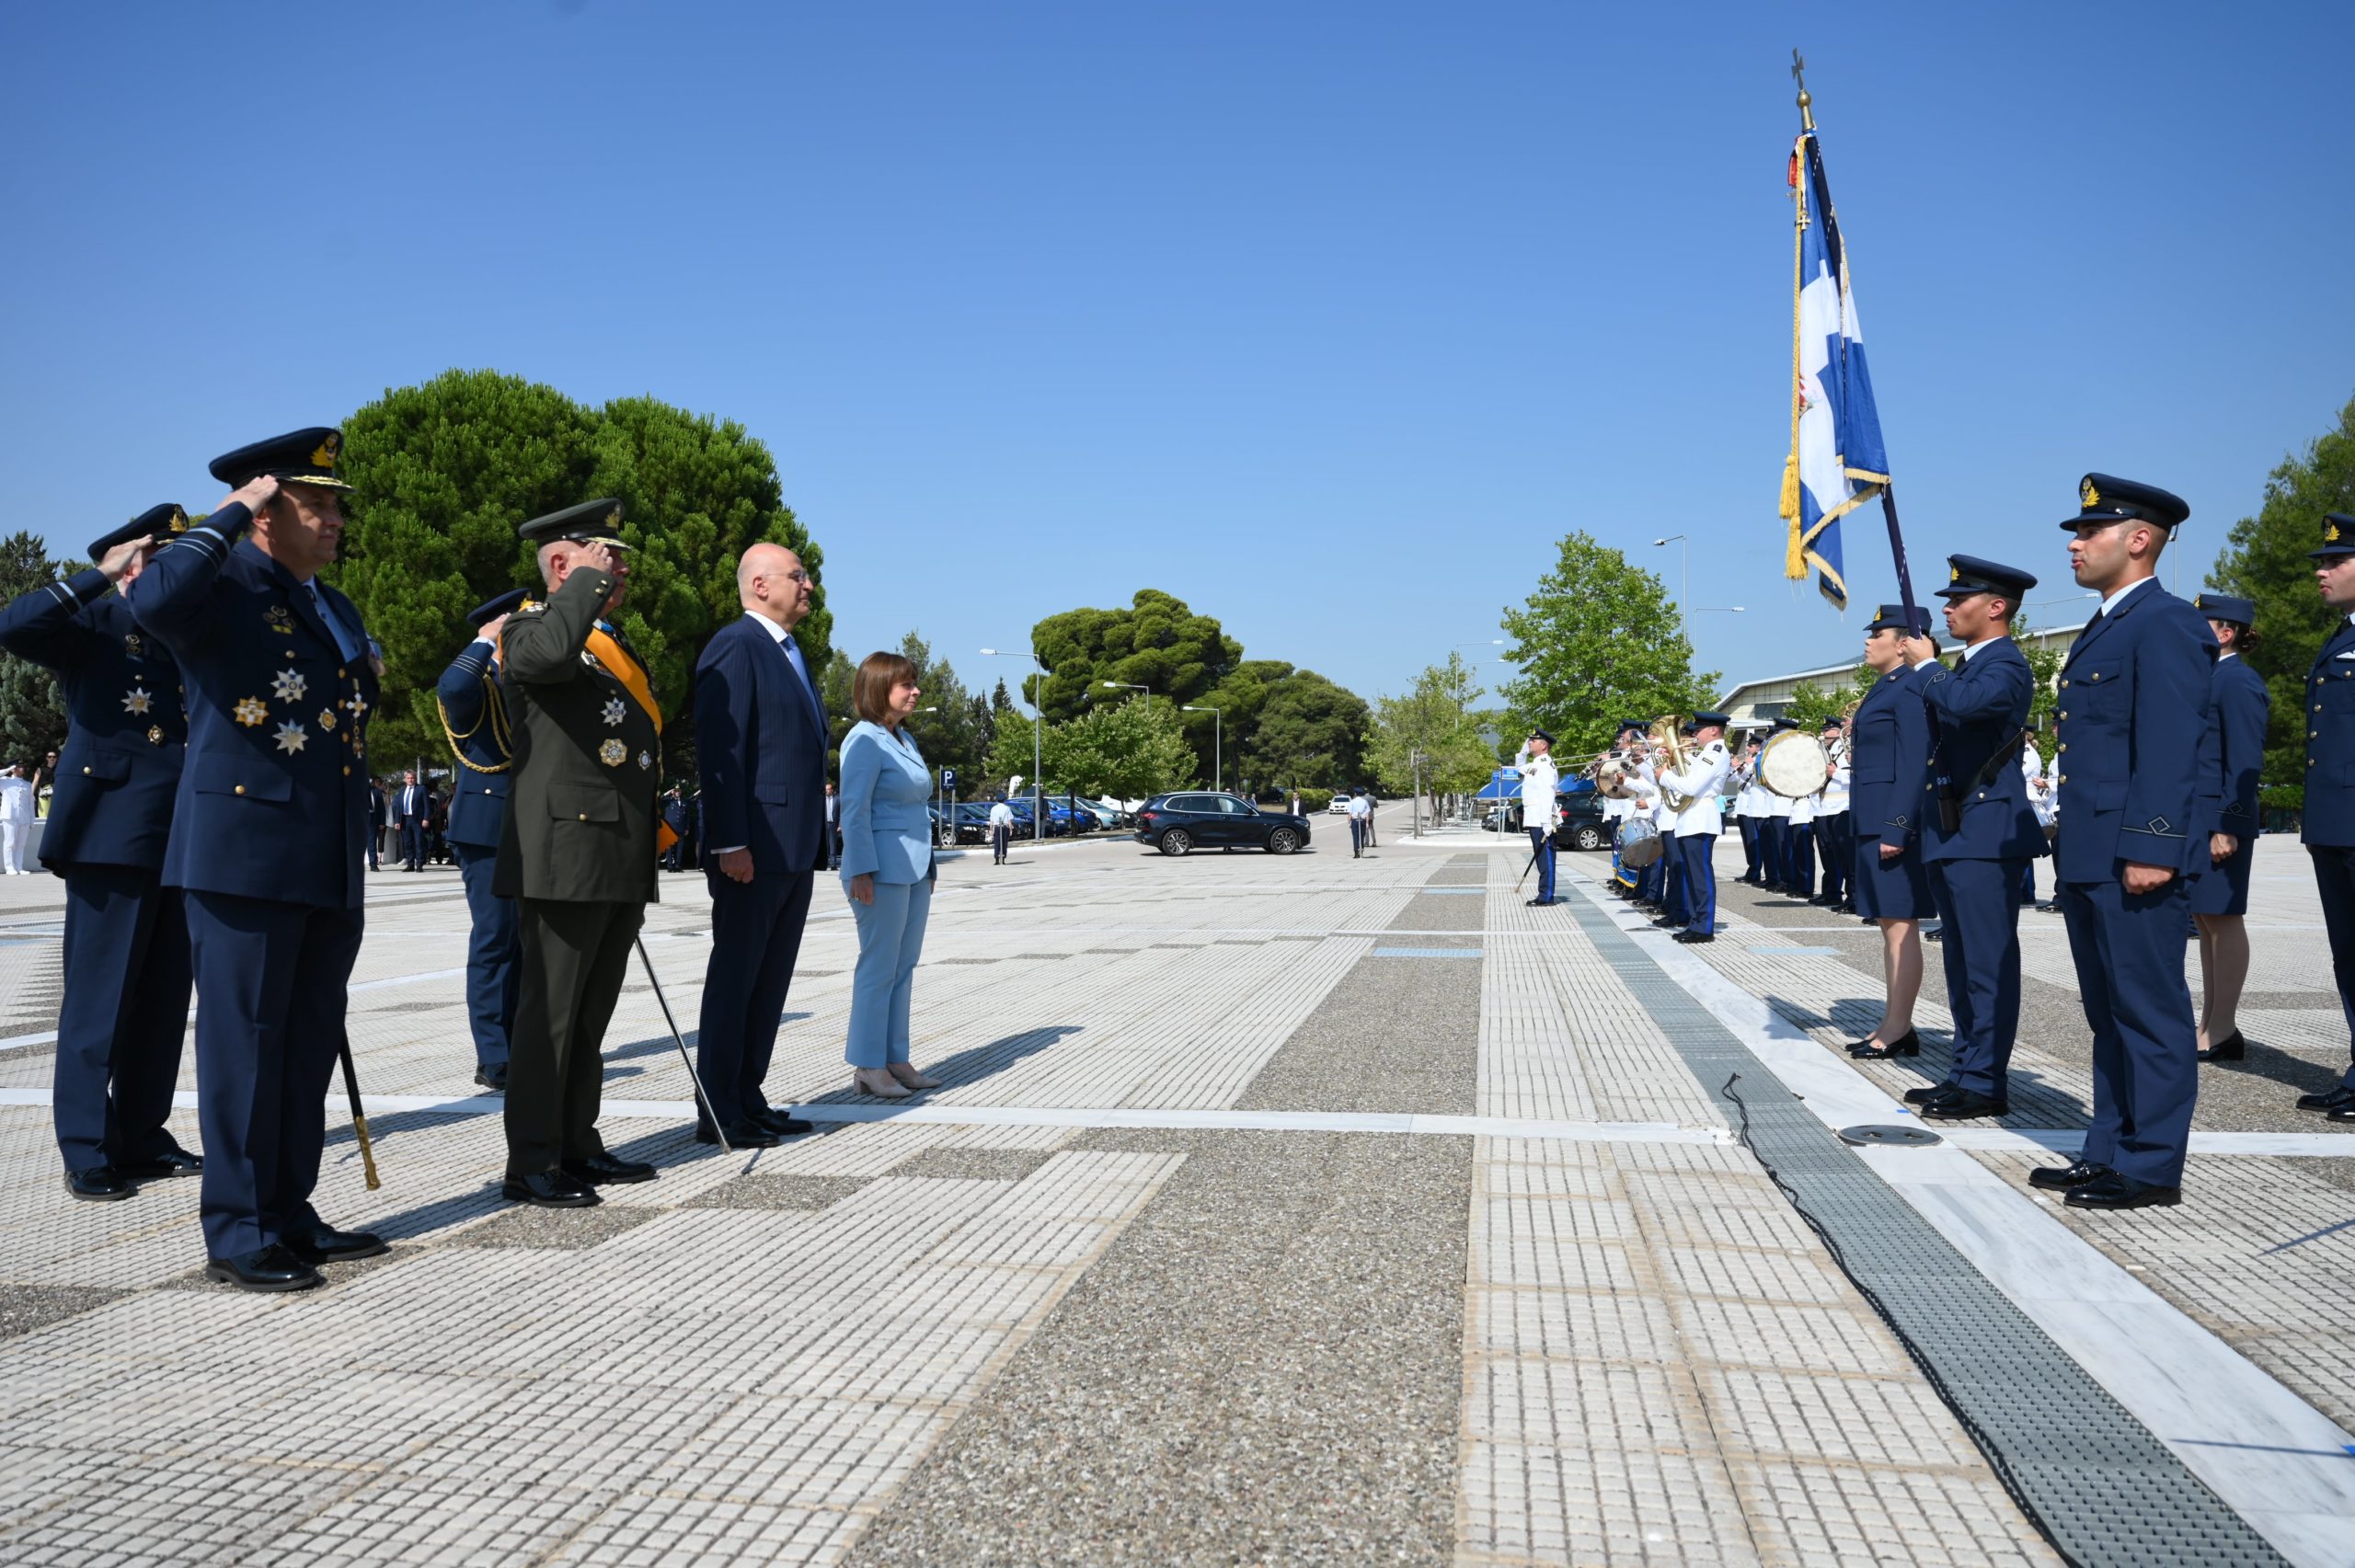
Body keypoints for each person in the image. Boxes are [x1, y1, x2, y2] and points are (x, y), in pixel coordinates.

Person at [128, 428, 383, 1291]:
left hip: (325, 847)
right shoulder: (222, 582)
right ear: (267, 512)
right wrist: (231, 512)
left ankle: (287, 1207)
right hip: (243, 852)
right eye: (316, 503)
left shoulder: (329, 602)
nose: (336, 519)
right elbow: (153, 599)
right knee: (245, 1045)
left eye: (338, 505)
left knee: (305, 1044)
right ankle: (238, 1228)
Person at [0, 504, 202, 1200]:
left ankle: (142, 1134)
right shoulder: (94, 622)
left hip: (185, 831)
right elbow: (14, 625)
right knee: (101, 998)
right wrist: (99, 576)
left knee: (164, 999)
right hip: (113, 830)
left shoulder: (191, 634)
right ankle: (86, 1146)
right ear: (132, 564)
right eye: (164, 561)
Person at [2033, 475, 2215, 1208]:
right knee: (2108, 1013)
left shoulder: (2166, 622)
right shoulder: (2107, 624)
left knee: (2149, 1009)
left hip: (2133, 853)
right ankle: (2107, 1147)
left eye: (2090, 531)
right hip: (2091, 851)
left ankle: (2151, 1165)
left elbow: (2170, 748)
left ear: (2140, 539)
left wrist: (2154, 846)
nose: (2075, 545)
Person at [495, 499, 664, 1207]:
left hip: (614, 849)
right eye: (605, 559)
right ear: (563, 564)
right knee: (552, 1017)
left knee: (590, 1015)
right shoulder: (531, 629)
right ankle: (531, 1159)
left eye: (617, 561)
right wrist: (582, 588)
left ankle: (575, 1142)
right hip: (564, 853)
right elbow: (545, 658)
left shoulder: (602, 640)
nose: (618, 571)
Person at [1899, 555, 2047, 1121]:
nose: (1948, 609)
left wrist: (1927, 667)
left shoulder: (2005, 663)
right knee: (1961, 964)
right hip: (1955, 827)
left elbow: (1967, 704)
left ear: (1996, 607)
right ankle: (1964, 1070)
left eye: (1960, 600)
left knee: (1987, 963)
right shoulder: (1965, 665)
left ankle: (1986, 1080)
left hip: (1986, 830)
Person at [692, 542, 829, 1150]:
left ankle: (749, 1095)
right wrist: (730, 841)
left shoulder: (790, 651)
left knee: (769, 982)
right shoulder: (737, 644)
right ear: (760, 584)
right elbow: (722, 751)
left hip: (792, 847)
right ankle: (719, 1109)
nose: (809, 586)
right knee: (737, 978)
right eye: (798, 576)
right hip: (753, 849)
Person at [839, 652, 943, 1098]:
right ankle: (868, 1064)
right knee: (878, 968)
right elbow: (854, 809)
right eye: (906, 685)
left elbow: (916, 807)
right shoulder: (864, 739)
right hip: (879, 869)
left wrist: (930, 863)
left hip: (915, 868)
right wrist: (860, 869)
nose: (916, 691)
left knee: (903, 967)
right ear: (880, 688)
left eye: (915, 683)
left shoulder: (904, 738)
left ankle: (895, 1058)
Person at [438, 587, 527, 1093]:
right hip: (488, 827)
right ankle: (493, 1055)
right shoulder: (478, 682)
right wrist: (484, 641)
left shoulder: (522, 681)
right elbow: (451, 687)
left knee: (525, 944)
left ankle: (518, 1042)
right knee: (495, 940)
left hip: (530, 825)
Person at [1847, 606, 1940, 1059]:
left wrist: (1898, 826)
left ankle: (1898, 1028)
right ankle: (1895, 1021)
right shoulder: (1885, 686)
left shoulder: (1909, 687)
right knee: (1890, 924)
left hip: (1890, 823)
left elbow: (1914, 763)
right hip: (1872, 818)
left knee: (1901, 925)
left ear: (1903, 643)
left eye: (1877, 633)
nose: (1868, 641)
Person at [2189, 593, 2268, 1065]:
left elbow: (2244, 761)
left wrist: (2228, 825)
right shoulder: (2211, 676)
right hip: (2199, 819)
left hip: (2220, 820)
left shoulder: (2237, 680)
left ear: (2225, 633)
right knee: (2205, 920)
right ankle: (2210, 1023)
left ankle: (2223, 1028)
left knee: (2223, 918)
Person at [2299, 511, 2355, 1123]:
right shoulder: (2341, 637)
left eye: (2336, 561)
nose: (2323, 571)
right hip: (2335, 823)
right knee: (2348, 954)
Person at [1659, 713, 1731, 942]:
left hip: (1701, 818)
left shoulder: (1715, 752)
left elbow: (1691, 786)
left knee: (1700, 877)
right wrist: (1672, 761)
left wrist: (1664, 776)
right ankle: (1695, 922)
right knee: (1692, 876)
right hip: (1691, 819)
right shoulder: (1707, 753)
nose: (1695, 735)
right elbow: (1690, 773)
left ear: (1713, 730)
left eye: (1699, 730)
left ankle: (1703, 928)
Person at [1516, 730, 1561, 906]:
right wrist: (1524, 750)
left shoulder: (1544, 766)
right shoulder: (1536, 764)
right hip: (1534, 818)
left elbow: (1547, 794)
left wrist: (1546, 822)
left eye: (1533, 740)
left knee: (1546, 859)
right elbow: (1519, 767)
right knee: (1541, 858)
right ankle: (1544, 893)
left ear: (1543, 745)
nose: (1530, 742)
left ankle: (1546, 896)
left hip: (1541, 819)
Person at [1812, 716, 1852, 909]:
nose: (1823, 734)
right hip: (1826, 808)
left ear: (1836, 732)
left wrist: (1835, 773)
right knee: (1831, 854)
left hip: (1843, 807)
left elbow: (1854, 774)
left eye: (1826, 730)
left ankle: (1852, 898)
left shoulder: (1845, 749)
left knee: (1846, 857)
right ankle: (1833, 893)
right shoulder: (1828, 750)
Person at [393, 769, 430, 871]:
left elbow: (427, 805)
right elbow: (398, 807)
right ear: (405, 779)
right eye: (408, 778)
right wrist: (397, 821)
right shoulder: (401, 790)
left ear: (415, 779)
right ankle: (410, 864)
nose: (410, 780)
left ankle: (419, 865)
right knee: (407, 843)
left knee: (419, 843)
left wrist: (426, 818)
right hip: (405, 820)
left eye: (412, 778)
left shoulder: (421, 789)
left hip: (417, 820)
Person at [0, 763, 31, 873]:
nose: (22, 768)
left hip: (24, 817)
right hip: (9, 816)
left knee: (21, 844)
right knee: (10, 842)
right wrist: (8, 769)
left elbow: (30, 803)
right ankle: (9, 867)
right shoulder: (4, 781)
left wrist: (32, 820)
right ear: (13, 769)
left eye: (23, 766)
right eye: (18, 766)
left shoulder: (28, 784)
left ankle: (19, 867)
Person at [988, 793, 1015, 864]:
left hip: (996, 827)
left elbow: (991, 821)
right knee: (1004, 843)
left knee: (997, 843)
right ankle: (1003, 859)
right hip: (1005, 827)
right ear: (1004, 800)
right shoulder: (1007, 808)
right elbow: (1009, 820)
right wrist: (1011, 830)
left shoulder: (993, 808)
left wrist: (991, 829)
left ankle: (996, 859)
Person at [365, 777, 385, 871]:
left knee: (372, 842)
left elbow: (381, 808)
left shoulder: (377, 791)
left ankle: (373, 864)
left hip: (372, 818)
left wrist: (382, 822)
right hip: (358, 819)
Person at [1346, 787, 1371, 857]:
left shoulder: (1352, 801)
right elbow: (1367, 813)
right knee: (1362, 836)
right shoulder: (1365, 801)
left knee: (1355, 836)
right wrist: (1367, 823)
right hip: (1362, 820)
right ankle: (1361, 850)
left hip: (1355, 820)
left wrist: (1349, 822)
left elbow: (1350, 813)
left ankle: (1356, 852)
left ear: (1355, 794)